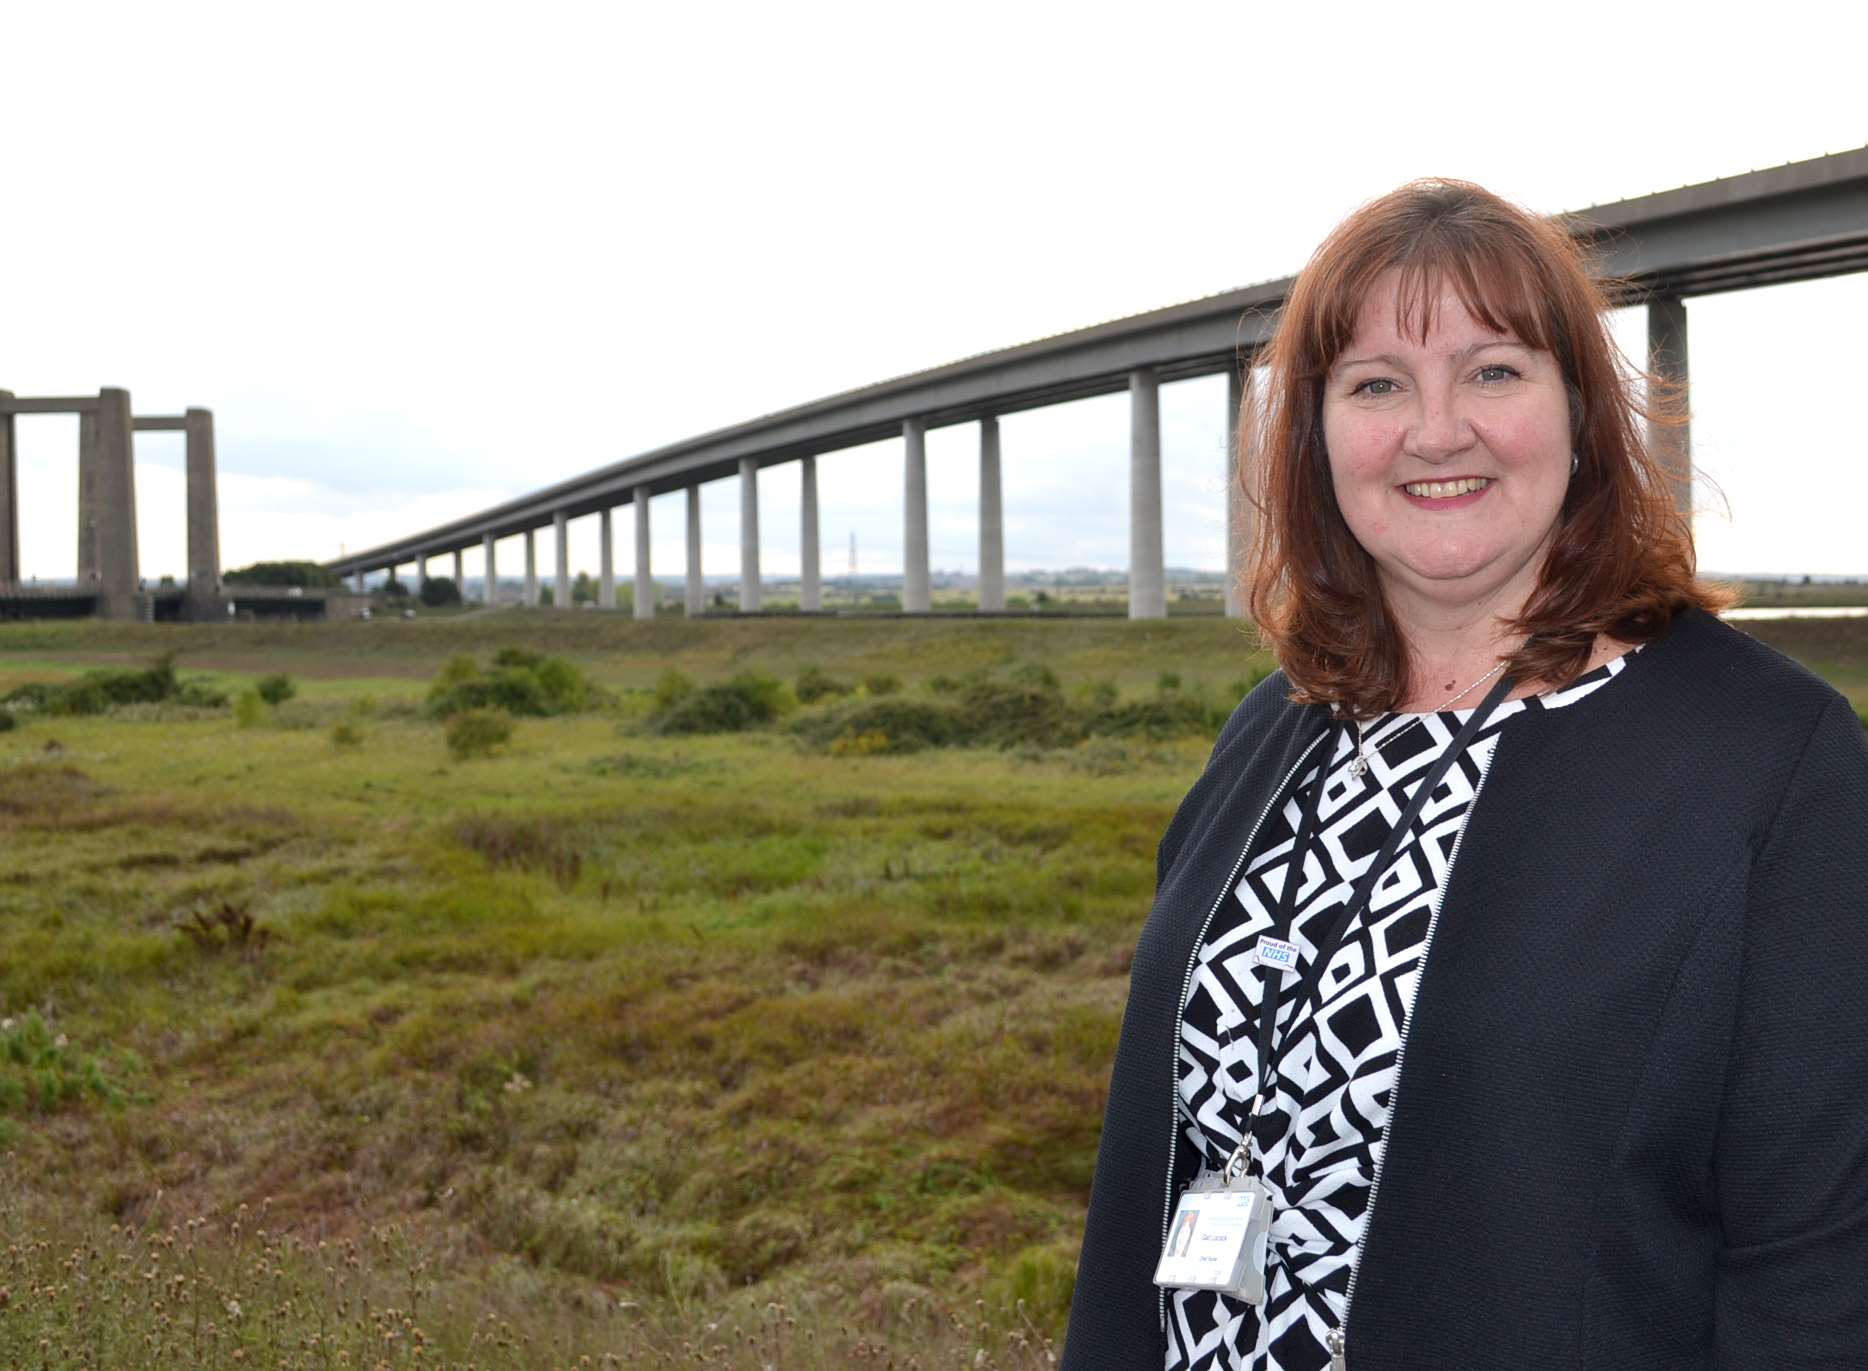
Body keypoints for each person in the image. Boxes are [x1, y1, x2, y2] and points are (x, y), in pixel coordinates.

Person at [1060, 180, 1868, 1371]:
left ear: (1583, 415)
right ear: (1317, 436)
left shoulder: (1766, 758)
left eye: (1492, 372)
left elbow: (1816, 1259)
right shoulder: (1274, 732)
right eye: (1376, 384)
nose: (1435, 431)